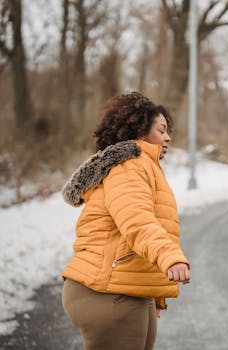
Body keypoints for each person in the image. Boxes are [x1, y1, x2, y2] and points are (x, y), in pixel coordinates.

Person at [61, 91, 190, 350]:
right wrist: (170, 256)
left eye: (168, 130)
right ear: (140, 130)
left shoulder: (144, 166)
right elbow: (137, 221)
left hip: (124, 289)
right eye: (161, 130)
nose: (168, 137)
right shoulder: (130, 166)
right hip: (107, 292)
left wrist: (154, 292)